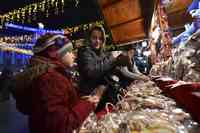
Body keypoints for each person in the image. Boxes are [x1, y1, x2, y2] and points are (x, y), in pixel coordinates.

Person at [14, 33, 103, 133]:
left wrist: (79, 101)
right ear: (57, 53)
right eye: (69, 51)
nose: (74, 54)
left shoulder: (53, 75)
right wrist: (88, 104)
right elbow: (61, 125)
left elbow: (59, 105)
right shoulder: (50, 79)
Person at [77, 25, 147, 112]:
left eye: (100, 38)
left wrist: (117, 66)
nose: (97, 41)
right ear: (89, 38)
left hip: (103, 95)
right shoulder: (84, 52)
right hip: (91, 97)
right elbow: (91, 72)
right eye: (94, 38)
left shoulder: (102, 53)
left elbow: (109, 70)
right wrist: (112, 58)